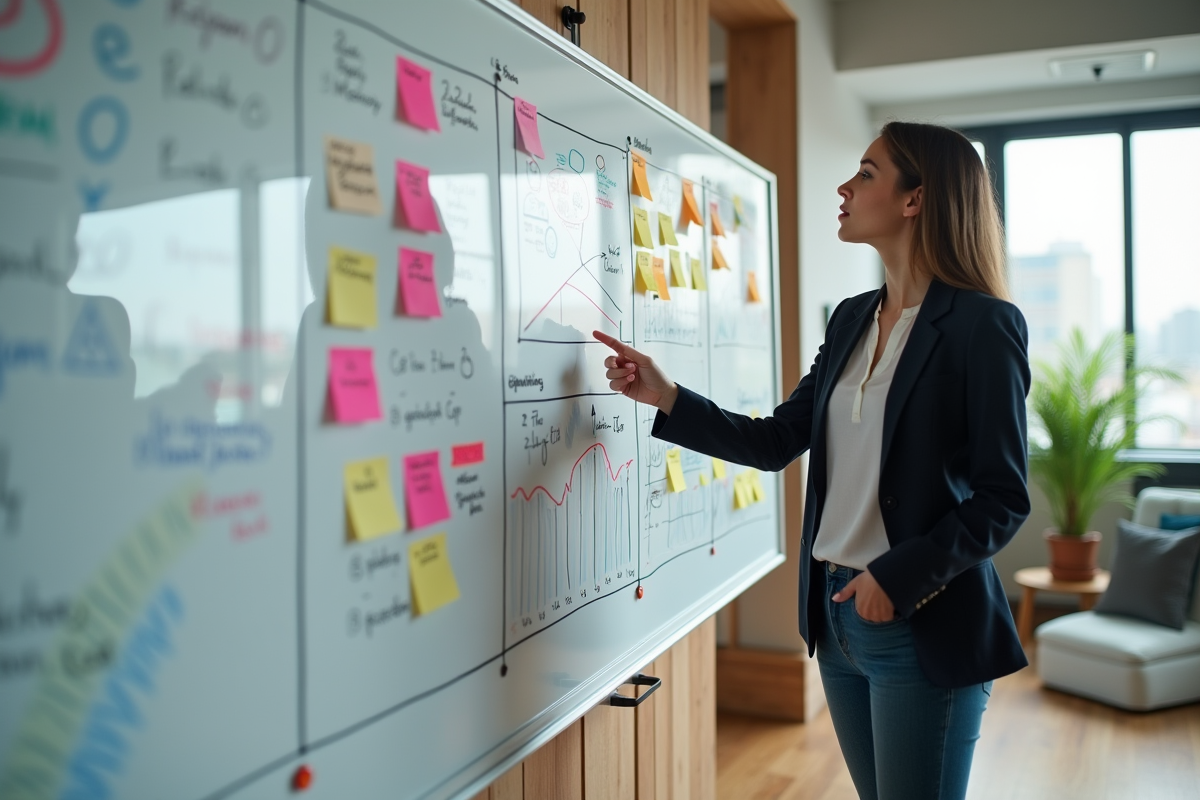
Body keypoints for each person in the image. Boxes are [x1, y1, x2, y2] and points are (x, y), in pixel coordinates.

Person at [594, 121, 1031, 800]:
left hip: (919, 622)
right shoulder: (852, 319)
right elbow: (775, 441)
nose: (843, 186)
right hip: (834, 618)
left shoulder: (982, 325)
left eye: (865, 173)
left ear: (915, 199)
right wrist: (667, 395)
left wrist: (898, 576)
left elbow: (1003, 499)